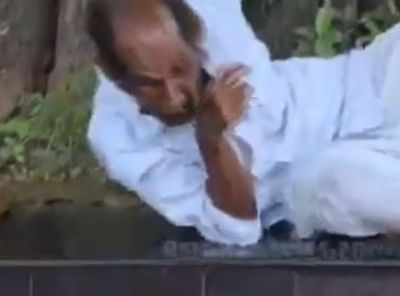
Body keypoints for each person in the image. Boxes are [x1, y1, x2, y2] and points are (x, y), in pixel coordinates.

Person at [85, 0, 400, 245]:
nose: (175, 96)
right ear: (113, 75)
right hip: (322, 176)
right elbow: (238, 229)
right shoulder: (117, 138)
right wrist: (212, 140)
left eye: (180, 69)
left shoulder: (207, 11)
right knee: (335, 181)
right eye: (150, 85)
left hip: (366, 84)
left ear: (196, 40)